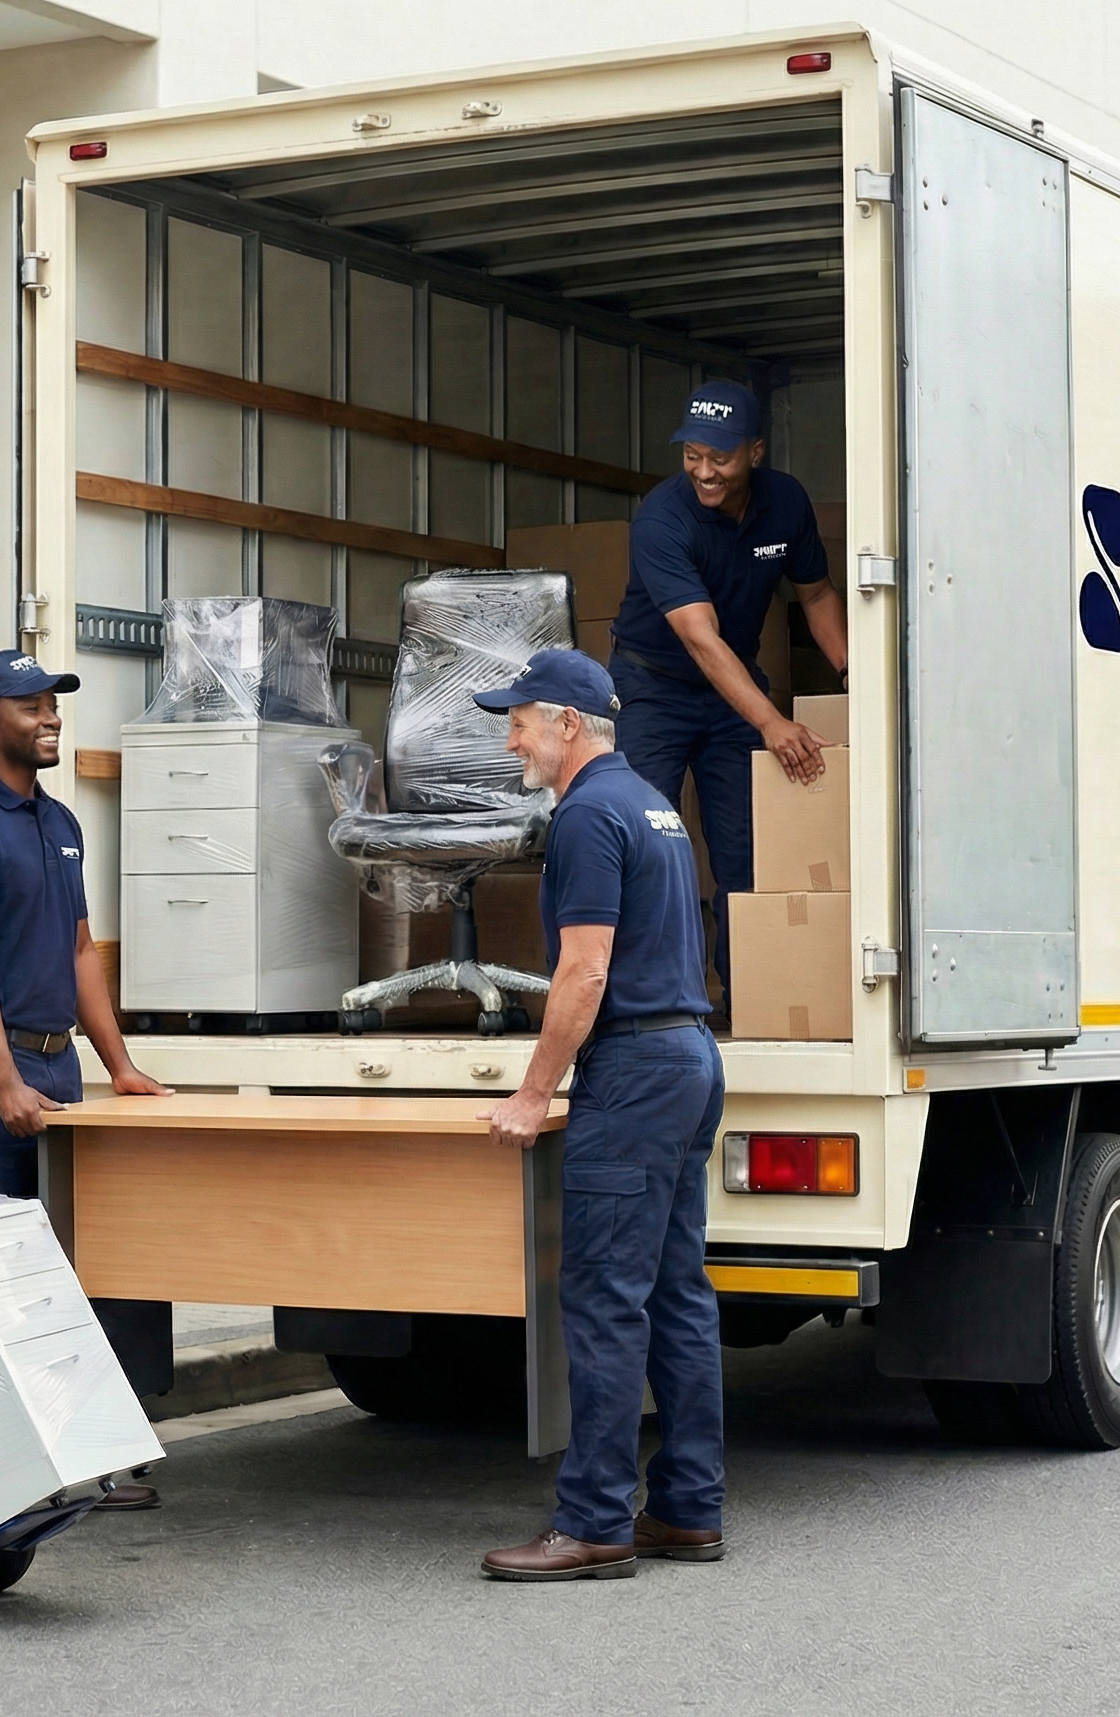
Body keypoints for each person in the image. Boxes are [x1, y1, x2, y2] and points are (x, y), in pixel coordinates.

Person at [473, 649, 724, 1582]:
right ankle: (689, 1510)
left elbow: (584, 969)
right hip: (690, 1052)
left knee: (607, 1301)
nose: (512, 740)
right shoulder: (653, 805)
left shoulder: (584, 815)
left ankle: (595, 1523)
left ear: (569, 723)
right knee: (676, 1293)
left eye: (521, 721)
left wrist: (535, 1092)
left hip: (635, 1068)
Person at [0, 649, 172, 1508]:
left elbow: (78, 953)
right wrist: (3, 1083)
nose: (49, 716)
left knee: (65, 1266)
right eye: (29, 705)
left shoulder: (59, 821)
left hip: (55, 1060)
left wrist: (120, 1067)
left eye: (52, 702)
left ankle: (76, 1450)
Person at [605, 379, 848, 1015]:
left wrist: (854, 673)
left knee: (744, 857)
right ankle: (657, 1011)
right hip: (653, 688)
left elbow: (816, 593)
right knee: (651, 846)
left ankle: (752, 1002)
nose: (704, 472)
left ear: (755, 452)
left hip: (730, 693)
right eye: (692, 456)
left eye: (720, 458)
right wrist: (772, 722)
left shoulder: (786, 503)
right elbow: (700, 638)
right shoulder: (663, 519)